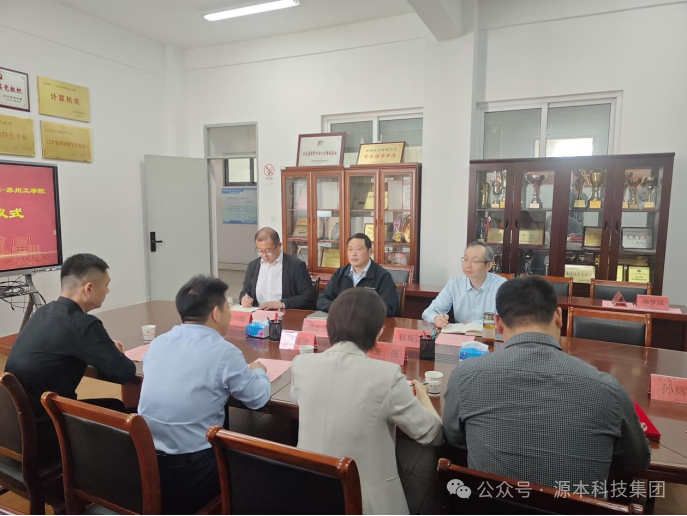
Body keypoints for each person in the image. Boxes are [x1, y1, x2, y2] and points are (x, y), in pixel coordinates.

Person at [443, 276, 651, 489]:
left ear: (498, 323)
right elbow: (637, 461)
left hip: (489, 502)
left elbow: (454, 439)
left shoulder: (465, 376)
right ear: (559, 317)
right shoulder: (607, 389)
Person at [291, 288, 442, 514]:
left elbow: (298, 399)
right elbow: (431, 434)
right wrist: (422, 394)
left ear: (329, 325)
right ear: (378, 332)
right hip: (365, 500)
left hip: (308, 493)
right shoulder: (386, 375)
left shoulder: (302, 364)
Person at [137, 275, 270, 514]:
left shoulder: (158, 343)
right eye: (228, 307)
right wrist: (259, 371)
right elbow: (257, 398)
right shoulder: (223, 351)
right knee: (261, 466)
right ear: (216, 313)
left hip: (145, 462)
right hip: (193, 472)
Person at [5, 253, 137, 464]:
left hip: (16, 429)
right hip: (48, 434)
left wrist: (101, 348)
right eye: (106, 285)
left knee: (113, 404)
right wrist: (111, 351)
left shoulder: (43, 312)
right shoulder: (84, 325)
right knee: (127, 416)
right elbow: (125, 372)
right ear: (89, 288)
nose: (108, 291)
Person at [422, 241, 506, 326]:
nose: (468, 265)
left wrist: (471, 324)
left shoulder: (501, 285)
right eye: (466, 259)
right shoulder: (455, 284)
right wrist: (436, 318)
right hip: (461, 333)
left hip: (490, 333)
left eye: (475, 261)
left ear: (488, 266)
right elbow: (428, 312)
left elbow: (505, 319)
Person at [317, 233, 398, 317]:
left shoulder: (383, 276)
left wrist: (357, 311)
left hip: (368, 322)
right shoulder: (340, 273)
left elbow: (388, 308)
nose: (353, 254)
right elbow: (322, 300)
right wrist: (342, 309)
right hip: (342, 321)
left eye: (359, 249)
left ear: (370, 252)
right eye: (350, 249)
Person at [239, 227, 314, 310]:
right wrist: (244, 299)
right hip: (258, 314)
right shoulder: (253, 266)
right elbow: (245, 292)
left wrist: (282, 304)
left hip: (285, 314)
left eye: (268, 251)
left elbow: (308, 296)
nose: (264, 255)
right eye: (260, 251)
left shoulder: (296, 266)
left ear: (279, 245)